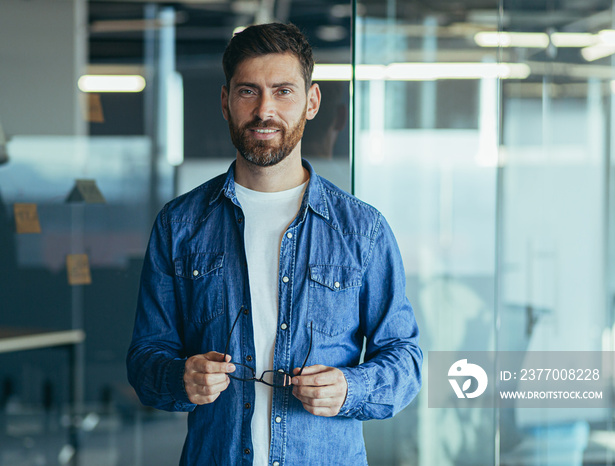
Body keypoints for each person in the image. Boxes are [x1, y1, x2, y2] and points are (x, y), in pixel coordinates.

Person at [127, 22, 422, 465]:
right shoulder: (180, 224)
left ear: (312, 102)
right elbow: (145, 358)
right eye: (249, 91)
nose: (265, 110)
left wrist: (349, 388)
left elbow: (406, 358)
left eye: (283, 91)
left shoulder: (362, 230)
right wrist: (178, 377)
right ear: (226, 102)